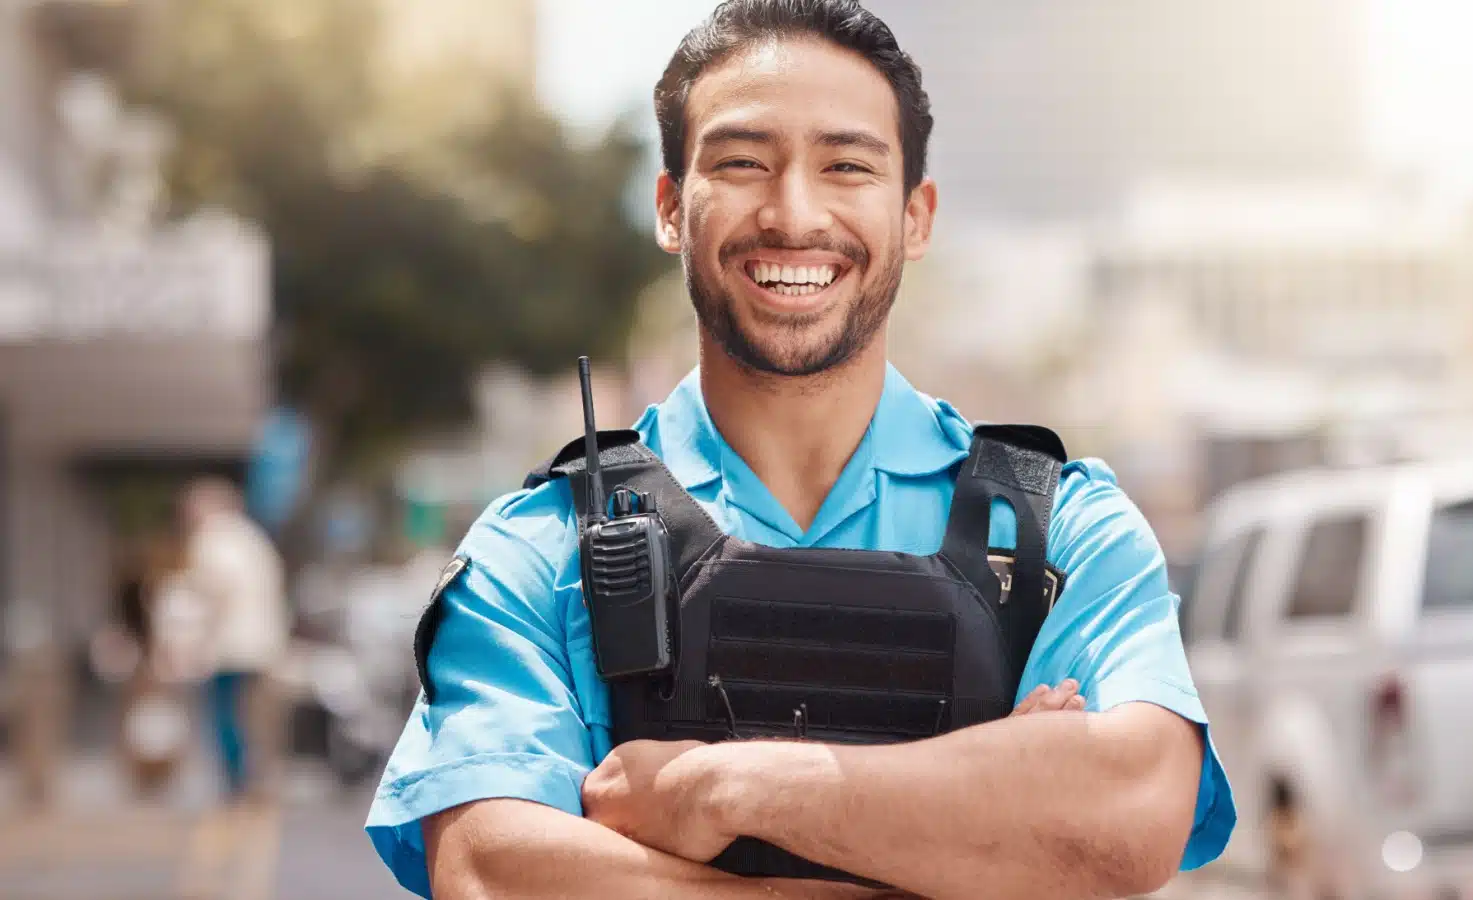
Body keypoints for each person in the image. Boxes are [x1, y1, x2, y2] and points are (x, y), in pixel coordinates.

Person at [367, 2, 1236, 897]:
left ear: (916, 216)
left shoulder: (1060, 534)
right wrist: (966, 821)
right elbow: (488, 870)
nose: (793, 213)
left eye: (847, 166)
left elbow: (1131, 820)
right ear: (671, 207)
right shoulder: (539, 545)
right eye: (743, 162)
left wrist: (723, 789)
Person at [180, 476, 291, 804]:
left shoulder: (211, 539)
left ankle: (237, 781)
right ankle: (260, 776)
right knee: (256, 717)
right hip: (264, 643)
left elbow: (216, 592)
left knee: (226, 715)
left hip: (229, 646)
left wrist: (197, 641)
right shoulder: (253, 537)